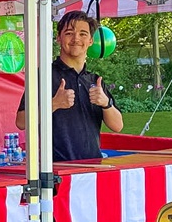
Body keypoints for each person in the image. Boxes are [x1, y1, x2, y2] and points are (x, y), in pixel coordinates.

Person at [15, 10, 123, 161]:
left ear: (91, 41)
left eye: (83, 34)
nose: (76, 39)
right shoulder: (43, 75)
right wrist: (53, 104)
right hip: (56, 170)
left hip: (93, 167)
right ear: (58, 38)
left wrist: (105, 103)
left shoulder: (94, 80)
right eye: (69, 33)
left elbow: (118, 126)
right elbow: (21, 122)